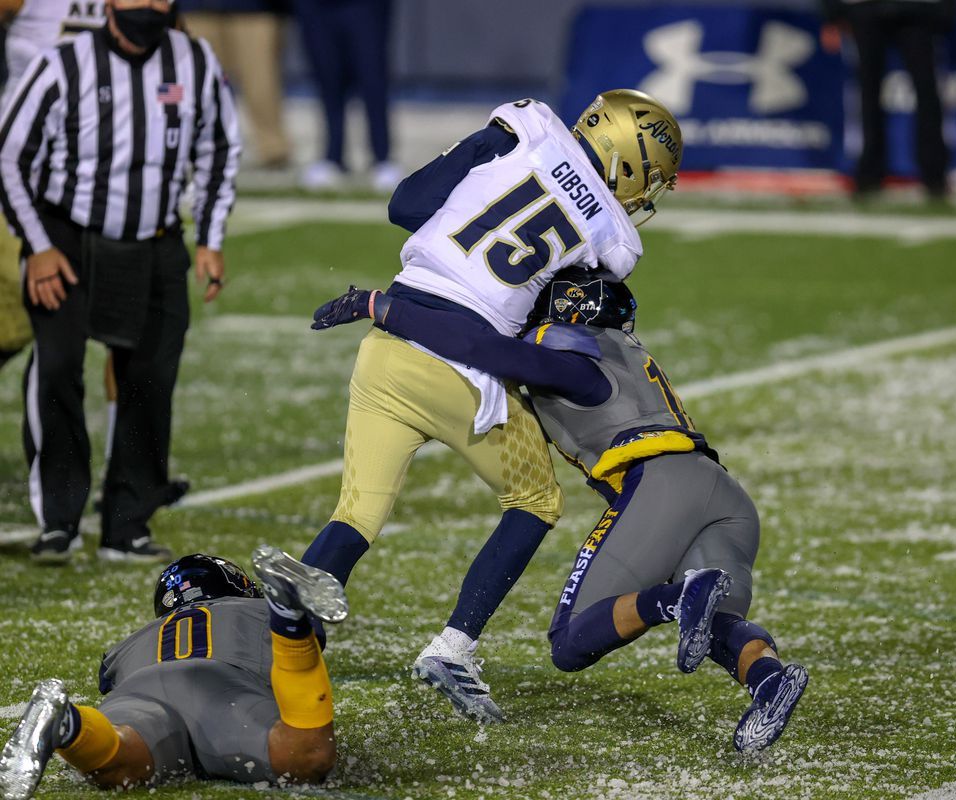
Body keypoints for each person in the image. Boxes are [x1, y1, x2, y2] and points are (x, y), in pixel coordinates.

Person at [313, 269, 808, 752]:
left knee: (569, 642)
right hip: (726, 495)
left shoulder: (574, 366)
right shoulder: (627, 355)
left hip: (660, 486)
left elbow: (476, 348)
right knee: (718, 619)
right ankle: (768, 680)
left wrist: (378, 306)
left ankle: (674, 600)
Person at [303, 90, 682, 723]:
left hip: (385, 345)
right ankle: (453, 647)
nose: (646, 195)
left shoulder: (521, 130)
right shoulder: (609, 240)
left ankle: (280, 640)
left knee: (359, 511)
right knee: (535, 501)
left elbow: (407, 206)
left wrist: (481, 147)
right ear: (627, 162)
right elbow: (559, 322)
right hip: (460, 365)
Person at [0, 0, 240, 564]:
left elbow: (220, 147)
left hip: (156, 242)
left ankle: (127, 524)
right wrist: (37, 248)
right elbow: (10, 158)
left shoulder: (196, 61)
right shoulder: (63, 63)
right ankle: (58, 520)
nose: (150, 7)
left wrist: (209, 237)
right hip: (69, 240)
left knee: (150, 380)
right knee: (57, 369)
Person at [0, 546, 348, 799]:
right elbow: (316, 643)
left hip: (138, 689)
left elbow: (108, 679)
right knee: (304, 758)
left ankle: (70, 725)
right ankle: (287, 614)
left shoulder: (129, 642)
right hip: (221, 688)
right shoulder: (251, 609)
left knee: (120, 765)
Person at [0, 0, 107, 372]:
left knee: (133, 339)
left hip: (108, 177)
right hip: (22, 173)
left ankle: (120, 431)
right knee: (19, 325)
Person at [822, 0, 956, 199]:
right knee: (867, 93)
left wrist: (947, 9)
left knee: (926, 91)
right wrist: (831, 12)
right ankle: (869, 174)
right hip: (865, 9)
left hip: (916, 11)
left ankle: (934, 176)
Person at [292, 0, 402, 192]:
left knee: (372, 78)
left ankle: (382, 157)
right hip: (317, 9)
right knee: (327, 79)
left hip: (364, 7)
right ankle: (332, 156)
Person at [179, 0, 291, 170]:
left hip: (252, 9)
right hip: (196, 8)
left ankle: (273, 151)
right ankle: (191, 149)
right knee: (195, 83)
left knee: (261, 83)